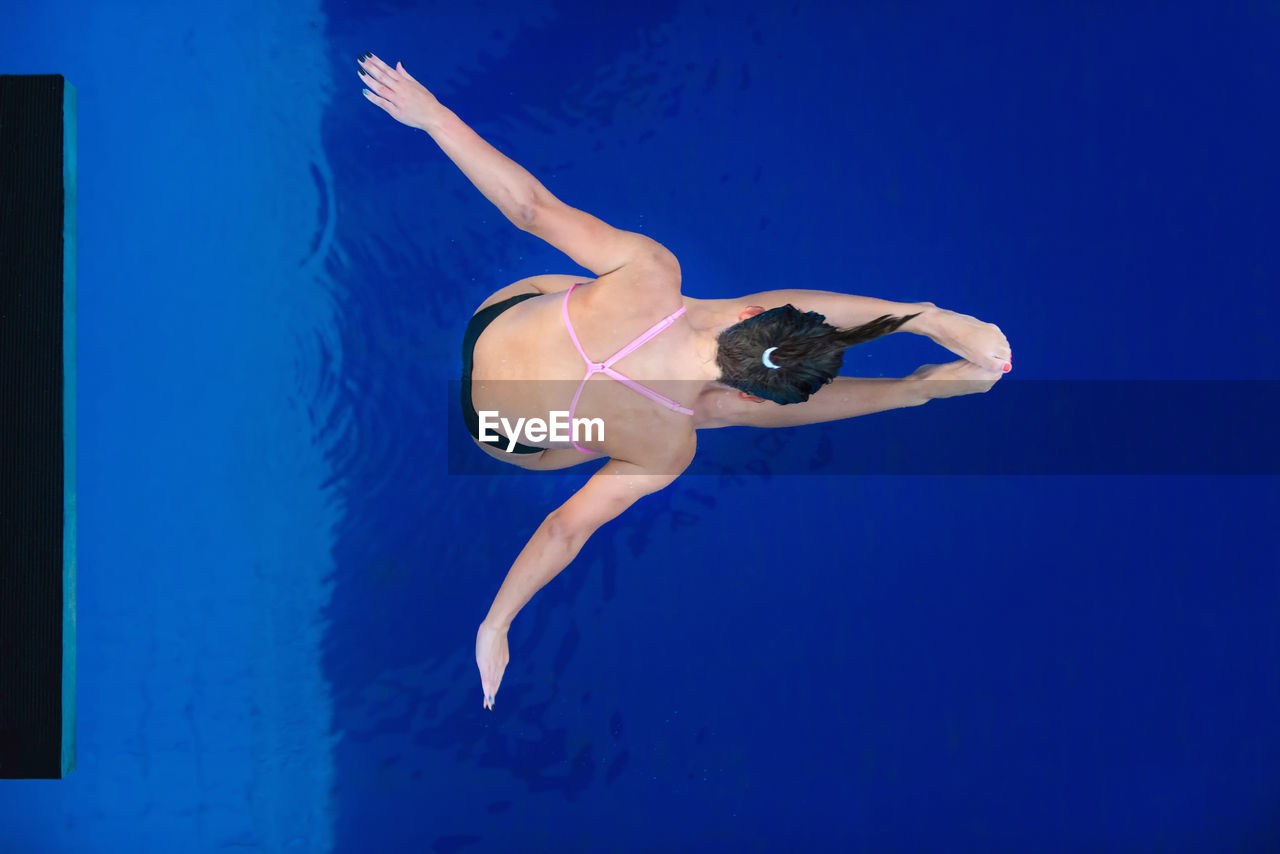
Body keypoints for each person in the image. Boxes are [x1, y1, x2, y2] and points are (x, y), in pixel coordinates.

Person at [358, 53, 1013, 710]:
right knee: (710, 413)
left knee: (682, 335)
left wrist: (432, 117)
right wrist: (495, 623)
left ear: (756, 316)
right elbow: (563, 529)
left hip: (496, 324)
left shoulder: (649, 270)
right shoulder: (669, 447)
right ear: (766, 381)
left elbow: (528, 208)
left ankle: (921, 320)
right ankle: (914, 386)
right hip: (502, 432)